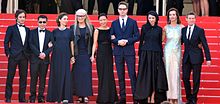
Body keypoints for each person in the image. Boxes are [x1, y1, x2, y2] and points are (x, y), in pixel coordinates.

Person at [135, 11, 168, 104]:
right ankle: (147, 97)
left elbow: (159, 43)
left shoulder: (159, 29)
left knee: (155, 76)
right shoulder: (144, 28)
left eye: (153, 18)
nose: (151, 20)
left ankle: (153, 97)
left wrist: (161, 56)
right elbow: (141, 41)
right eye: (149, 18)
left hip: (156, 54)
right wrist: (140, 54)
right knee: (147, 76)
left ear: (156, 19)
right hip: (146, 54)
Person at [110, 1, 139, 104]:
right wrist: (117, 41)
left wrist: (127, 41)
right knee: (120, 75)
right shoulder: (114, 23)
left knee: (132, 74)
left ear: (127, 10)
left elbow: (137, 36)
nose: (122, 11)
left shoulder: (132, 22)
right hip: (118, 52)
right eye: (120, 9)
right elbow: (110, 36)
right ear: (118, 10)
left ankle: (136, 97)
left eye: (124, 9)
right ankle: (122, 98)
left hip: (129, 51)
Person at [181, 11, 211, 104]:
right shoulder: (183, 30)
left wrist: (208, 58)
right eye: (189, 18)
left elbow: (205, 44)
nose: (191, 20)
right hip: (186, 57)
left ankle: (194, 98)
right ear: (186, 19)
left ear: (195, 19)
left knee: (196, 79)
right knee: (185, 78)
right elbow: (181, 41)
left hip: (197, 57)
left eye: (193, 18)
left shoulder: (200, 30)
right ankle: (189, 97)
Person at [91, 13, 118, 104]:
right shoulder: (97, 30)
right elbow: (94, 43)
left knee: (109, 74)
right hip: (101, 53)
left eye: (104, 19)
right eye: (101, 20)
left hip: (109, 53)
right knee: (102, 75)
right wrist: (92, 54)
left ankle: (111, 97)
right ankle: (103, 98)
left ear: (107, 20)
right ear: (99, 21)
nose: (103, 21)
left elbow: (114, 41)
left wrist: (114, 38)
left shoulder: (111, 30)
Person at [4, 9, 30, 103]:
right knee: (10, 77)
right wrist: (8, 53)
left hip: (24, 57)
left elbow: (29, 43)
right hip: (14, 56)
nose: (22, 19)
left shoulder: (27, 29)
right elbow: (6, 42)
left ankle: (22, 98)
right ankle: (8, 97)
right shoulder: (11, 28)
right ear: (16, 18)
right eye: (20, 17)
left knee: (23, 78)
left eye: (23, 17)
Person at [47, 12, 74, 103]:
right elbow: (51, 43)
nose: (66, 20)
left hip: (66, 55)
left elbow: (71, 43)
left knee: (66, 74)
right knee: (56, 74)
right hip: (56, 55)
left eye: (67, 19)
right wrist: (49, 44)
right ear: (59, 20)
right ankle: (56, 97)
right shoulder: (54, 31)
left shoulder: (70, 31)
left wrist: (72, 56)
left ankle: (65, 97)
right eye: (64, 19)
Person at [70, 9, 94, 103]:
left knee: (86, 74)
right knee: (77, 75)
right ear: (76, 17)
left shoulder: (91, 27)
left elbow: (93, 43)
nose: (80, 18)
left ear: (86, 16)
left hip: (86, 54)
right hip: (77, 54)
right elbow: (71, 43)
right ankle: (79, 95)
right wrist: (71, 56)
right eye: (78, 16)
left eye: (82, 16)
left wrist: (92, 55)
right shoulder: (73, 27)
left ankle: (86, 95)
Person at [28, 15, 53, 103]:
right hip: (35, 58)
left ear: (46, 23)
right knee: (33, 78)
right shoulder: (32, 32)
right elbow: (30, 44)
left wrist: (45, 53)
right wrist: (38, 53)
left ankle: (41, 96)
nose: (42, 24)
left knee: (42, 79)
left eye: (44, 22)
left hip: (45, 60)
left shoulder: (50, 33)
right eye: (40, 22)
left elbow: (52, 46)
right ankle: (32, 96)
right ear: (37, 22)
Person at [162, 8, 184, 104]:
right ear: (168, 16)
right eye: (170, 15)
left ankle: (176, 97)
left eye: (174, 14)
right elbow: (162, 40)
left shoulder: (182, 27)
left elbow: (186, 40)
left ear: (177, 16)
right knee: (167, 73)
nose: (172, 16)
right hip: (167, 52)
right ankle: (169, 98)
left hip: (177, 52)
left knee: (175, 74)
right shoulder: (165, 28)